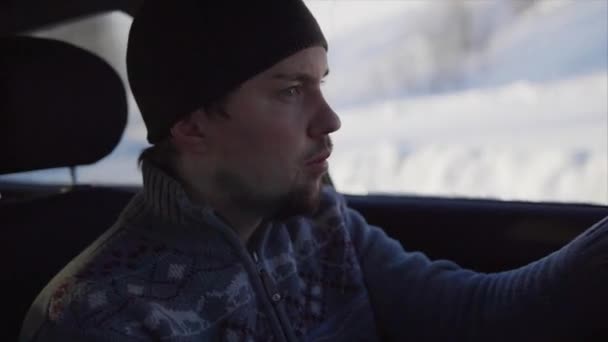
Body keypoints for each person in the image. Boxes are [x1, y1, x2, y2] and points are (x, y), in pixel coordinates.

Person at [20, 1, 608, 341]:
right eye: (290, 90)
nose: (329, 119)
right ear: (192, 125)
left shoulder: (316, 220)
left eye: (319, 83)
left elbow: (471, 314)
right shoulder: (100, 317)